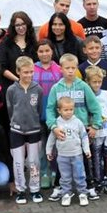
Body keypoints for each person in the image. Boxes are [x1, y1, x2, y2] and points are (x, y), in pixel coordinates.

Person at [45, 53, 102, 201]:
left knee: (84, 159)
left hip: (80, 130)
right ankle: (59, 187)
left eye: (73, 68)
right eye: (67, 68)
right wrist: (53, 127)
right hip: (62, 131)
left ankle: (88, 186)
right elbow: (50, 109)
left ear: (77, 68)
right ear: (61, 69)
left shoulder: (83, 86)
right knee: (62, 160)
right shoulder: (56, 88)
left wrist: (95, 126)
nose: (70, 71)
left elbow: (95, 107)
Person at [6, 56, 44, 204]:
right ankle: (20, 189)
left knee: (34, 162)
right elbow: (10, 109)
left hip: (34, 131)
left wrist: (34, 122)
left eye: (31, 72)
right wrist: (16, 122)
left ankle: (35, 189)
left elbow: (39, 109)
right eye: (25, 72)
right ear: (18, 71)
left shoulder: (38, 89)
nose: (29, 75)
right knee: (18, 162)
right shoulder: (11, 90)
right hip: (16, 132)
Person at [45, 97, 92, 207]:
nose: (69, 112)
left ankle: (82, 193)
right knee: (65, 176)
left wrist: (86, 149)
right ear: (59, 110)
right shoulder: (56, 123)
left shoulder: (78, 122)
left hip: (77, 155)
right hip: (62, 156)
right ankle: (66, 194)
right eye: (66, 110)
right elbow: (51, 138)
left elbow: (84, 137)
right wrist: (48, 151)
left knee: (79, 175)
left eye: (71, 109)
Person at [34, 40, 62, 190]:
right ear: (37, 53)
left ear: (52, 51)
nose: (44, 54)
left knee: (56, 145)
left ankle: (55, 172)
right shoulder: (32, 69)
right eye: (41, 51)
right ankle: (44, 173)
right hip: (37, 114)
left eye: (47, 51)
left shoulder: (59, 69)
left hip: (55, 115)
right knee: (42, 146)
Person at [85, 66, 107, 196]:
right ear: (88, 82)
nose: (97, 84)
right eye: (94, 82)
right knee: (96, 158)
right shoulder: (87, 96)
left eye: (99, 82)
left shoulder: (106, 94)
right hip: (96, 133)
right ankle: (97, 181)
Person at [0, 11, 37, 91]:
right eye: (17, 25)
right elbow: (2, 67)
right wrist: (18, 80)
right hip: (10, 86)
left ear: (27, 24)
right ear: (13, 27)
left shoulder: (33, 42)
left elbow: (36, 64)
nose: (21, 27)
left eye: (23, 24)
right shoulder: (5, 43)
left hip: (30, 85)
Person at [79, 36, 107, 105]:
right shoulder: (80, 68)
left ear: (101, 49)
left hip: (106, 105)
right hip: (88, 105)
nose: (94, 51)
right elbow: (78, 87)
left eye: (97, 48)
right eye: (91, 48)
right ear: (84, 50)